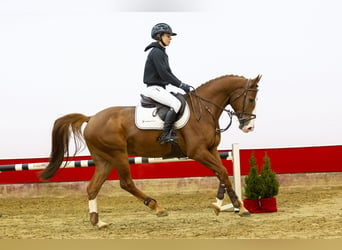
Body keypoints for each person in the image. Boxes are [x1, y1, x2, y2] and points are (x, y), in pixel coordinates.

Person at [143, 23, 191, 144]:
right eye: (168, 35)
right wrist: (180, 85)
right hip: (153, 89)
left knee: (177, 101)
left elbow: (169, 73)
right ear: (159, 36)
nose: (170, 38)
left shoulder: (162, 53)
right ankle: (165, 134)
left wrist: (182, 84)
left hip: (160, 88)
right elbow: (164, 74)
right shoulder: (156, 52)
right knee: (175, 103)